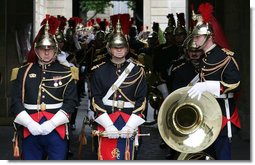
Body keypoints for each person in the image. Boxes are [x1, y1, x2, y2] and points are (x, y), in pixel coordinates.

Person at [10, 16, 79, 160]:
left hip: (56, 128)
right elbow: (15, 101)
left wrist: (52, 123)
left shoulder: (66, 72)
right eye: (42, 49)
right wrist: (29, 123)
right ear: (36, 50)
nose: (46, 53)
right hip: (30, 128)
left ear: (56, 50)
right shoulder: (23, 72)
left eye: (50, 49)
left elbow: (71, 102)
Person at [187, 2, 241, 160]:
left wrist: (210, 86)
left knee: (222, 156)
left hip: (222, 116)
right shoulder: (206, 58)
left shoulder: (224, 57)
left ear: (209, 37)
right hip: (207, 115)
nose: (195, 40)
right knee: (208, 157)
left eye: (198, 36)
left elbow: (235, 83)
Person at [90, 20, 147, 160]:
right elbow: (96, 98)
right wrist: (108, 125)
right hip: (106, 119)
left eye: (122, 47)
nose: (119, 50)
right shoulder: (98, 71)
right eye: (115, 47)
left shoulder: (138, 71)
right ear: (109, 49)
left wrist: (131, 124)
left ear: (127, 49)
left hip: (130, 119)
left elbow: (142, 99)